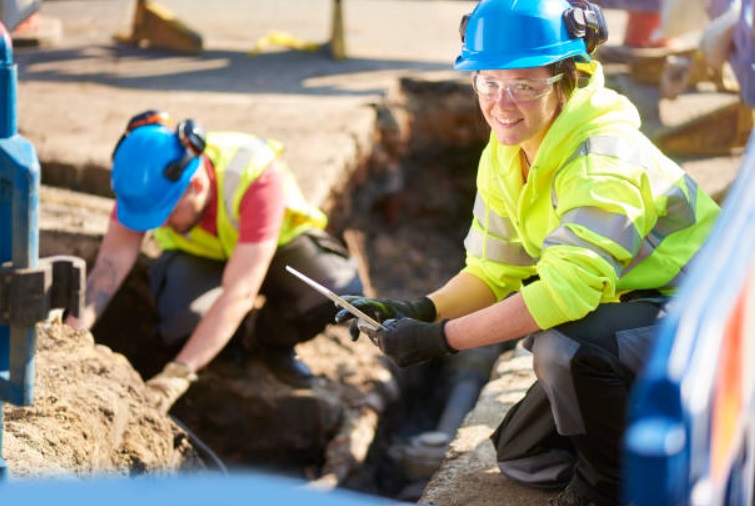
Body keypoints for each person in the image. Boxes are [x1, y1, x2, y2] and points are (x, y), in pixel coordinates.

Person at [335, 1, 721, 505]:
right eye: (488, 82)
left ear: (568, 79)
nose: (502, 103)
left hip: (709, 318)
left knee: (565, 347)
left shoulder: (603, 159)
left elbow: (565, 294)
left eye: (525, 85)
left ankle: (617, 488)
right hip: (634, 318)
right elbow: (495, 268)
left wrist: (440, 339)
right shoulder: (508, 149)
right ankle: (655, 435)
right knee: (524, 457)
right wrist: (419, 310)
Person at [66, 110, 363, 413]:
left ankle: (264, 341)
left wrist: (178, 373)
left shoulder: (254, 174)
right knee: (183, 317)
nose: (161, 225)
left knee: (333, 289)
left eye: (165, 215)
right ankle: (224, 352)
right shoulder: (145, 184)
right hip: (201, 258)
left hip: (275, 252)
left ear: (194, 185)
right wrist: (70, 336)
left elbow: (239, 293)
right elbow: (110, 265)